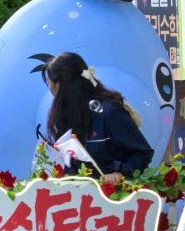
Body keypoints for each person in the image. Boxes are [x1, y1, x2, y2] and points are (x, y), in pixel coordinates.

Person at [45, 52, 153, 181]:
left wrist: (120, 174)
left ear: (61, 86)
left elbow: (142, 152)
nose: (50, 90)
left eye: (50, 83)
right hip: (80, 195)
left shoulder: (109, 112)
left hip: (112, 196)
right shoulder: (66, 115)